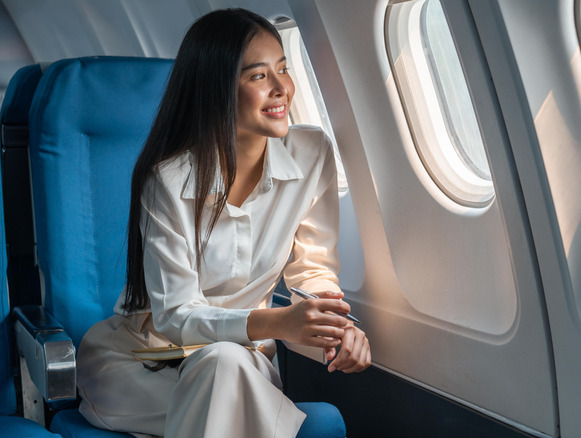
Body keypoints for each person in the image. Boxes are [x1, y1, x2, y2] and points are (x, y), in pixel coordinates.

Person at [76, 8, 370, 438]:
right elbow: (176, 315)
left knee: (225, 367)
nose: (281, 88)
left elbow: (313, 266)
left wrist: (333, 326)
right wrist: (277, 323)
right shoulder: (169, 180)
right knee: (227, 379)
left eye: (283, 69)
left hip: (241, 360)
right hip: (144, 363)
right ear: (216, 90)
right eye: (257, 76)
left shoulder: (313, 154)